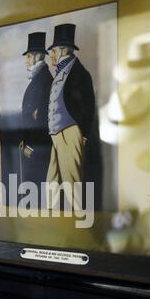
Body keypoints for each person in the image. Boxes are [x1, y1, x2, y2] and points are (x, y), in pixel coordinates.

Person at [46, 23, 101, 211]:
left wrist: (83, 135)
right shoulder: (59, 72)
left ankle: (80, 225)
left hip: (70, 132)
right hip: (56, 134)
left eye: (53, 51)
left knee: (73, 186)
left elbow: (88, 106)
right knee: (52, 183)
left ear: (63, 50)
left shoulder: (80, 73)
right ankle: (53, 226)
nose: (51, 55)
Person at [20, 32, 53, 190]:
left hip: (38, 150)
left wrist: (31, 147)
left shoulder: (44, 81)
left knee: (37, 191)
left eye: (28, 57)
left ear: (38, 56)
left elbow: (42, 120)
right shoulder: (39, 78)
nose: (26, 61)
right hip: (34, 148)